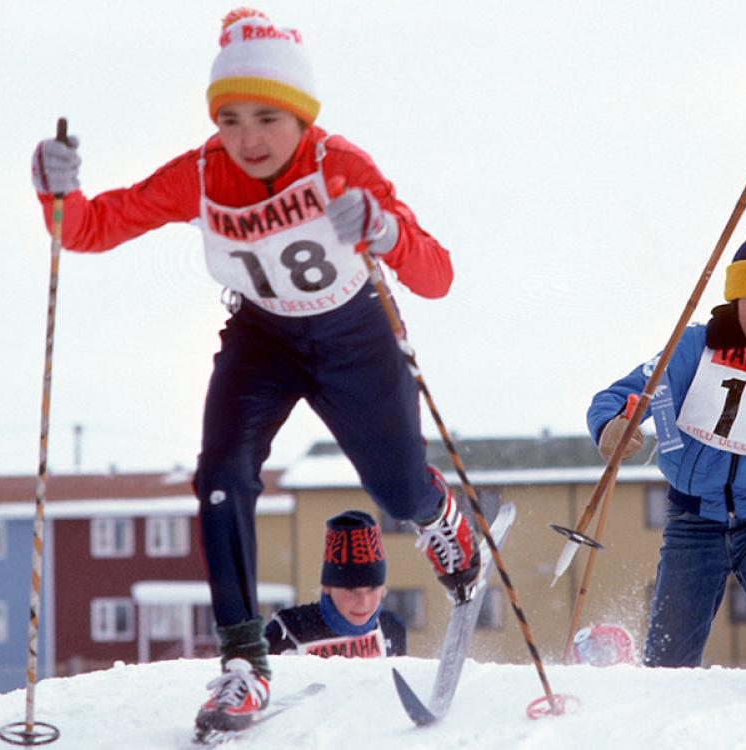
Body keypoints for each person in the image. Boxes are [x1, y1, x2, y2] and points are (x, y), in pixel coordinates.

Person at [30, 7, 479, 734]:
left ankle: (438, 516)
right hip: (262, 338)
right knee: (220, 476)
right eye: (230, 119)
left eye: (267, 118)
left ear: (301, 117)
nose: (248, 139)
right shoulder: (203, 172)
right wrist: (58, 193)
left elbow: (438, 276)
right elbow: (90, 227)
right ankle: (244, 662)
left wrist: (385, 229)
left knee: (397, 489)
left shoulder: (340, 165)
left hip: (353, 336)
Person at [587, 207, 746, 668]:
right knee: (668, 657)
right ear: (735, 297)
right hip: (692, 520)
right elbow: (622, 396)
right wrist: (612, 426)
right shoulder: (694, 347)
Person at [264, 510, 405, 658]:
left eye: (372, 589)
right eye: (350, 590)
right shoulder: (286, 632)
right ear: (327, 587)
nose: (363, 603)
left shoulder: (391, 629)